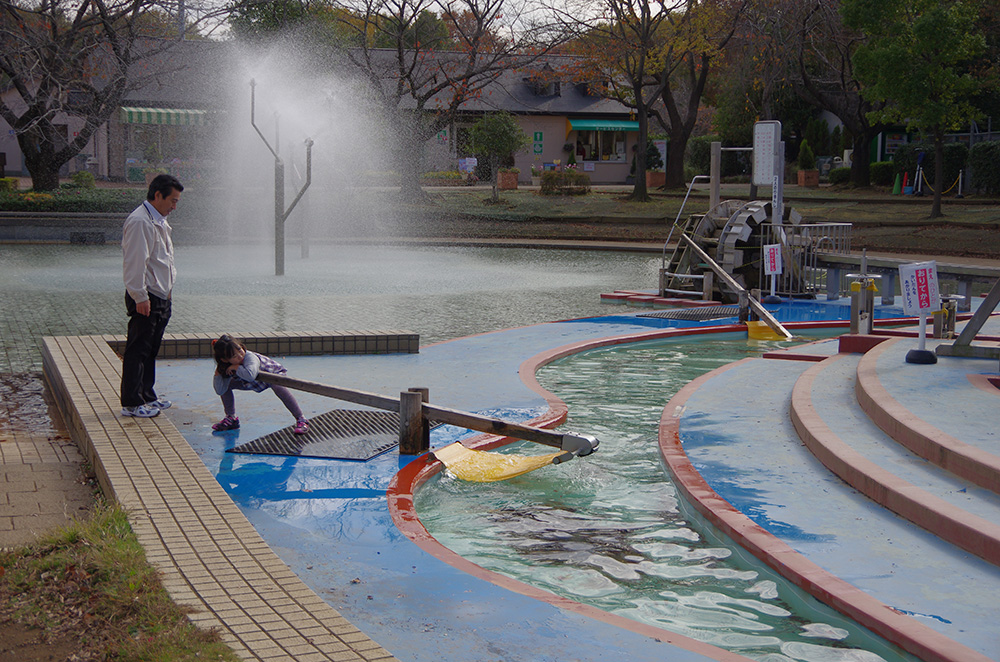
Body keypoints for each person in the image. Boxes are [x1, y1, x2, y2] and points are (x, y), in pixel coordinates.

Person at [120, 174, 183, 418]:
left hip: (160, 295)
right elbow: (135, 262)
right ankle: (132, 403)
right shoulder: (140, 222)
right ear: (157, 195)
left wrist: (167, 291)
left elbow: (164, 260)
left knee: (151, 348)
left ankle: (147, 395)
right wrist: (140, 296)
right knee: (138, 349)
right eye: (173, 201)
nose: (174, 207)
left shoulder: (159, 220)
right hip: (146, 296)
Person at [211, 334, 310, 434]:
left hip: (272, 374)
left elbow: (250, 375)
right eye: (234, 356)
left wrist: (237, 367)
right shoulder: (227, 366)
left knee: (278, 386)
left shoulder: (250, 357)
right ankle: (231, 417)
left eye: (240, 350)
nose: (240, 356)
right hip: (252, 382)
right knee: (227, 385)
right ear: (224, 360)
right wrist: (218, 374)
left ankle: (301, 419)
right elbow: (220, 390)